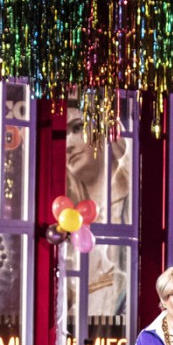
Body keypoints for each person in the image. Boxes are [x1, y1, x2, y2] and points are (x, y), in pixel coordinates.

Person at [63, 105, 132, 315]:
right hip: (80, 320)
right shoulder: (67, 213)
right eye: (63, 135)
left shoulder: (133, 199)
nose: (68, 145)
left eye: (77, 128)